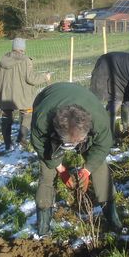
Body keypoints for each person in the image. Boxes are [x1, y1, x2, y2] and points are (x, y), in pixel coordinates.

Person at [30, 82, 122, 235]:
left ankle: (113, 218)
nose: (73, 146)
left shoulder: (100, 120)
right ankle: (43, 226)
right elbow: (39, 143)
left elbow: (103, 146)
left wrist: (87, 170)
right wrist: (59, 168)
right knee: (47, 172)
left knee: (100, 167)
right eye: (69, 144)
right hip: (48, 97)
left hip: (84, 101)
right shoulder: (42, 119)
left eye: (77, 142)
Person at [0, 38, 51, 150]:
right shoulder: (26, 60)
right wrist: (45, 77)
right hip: (23, 97)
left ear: (13, 47)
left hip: (5, 97)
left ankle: (7, 144)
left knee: (6, 118)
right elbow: (31, 79)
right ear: (23, 48)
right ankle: (21, 140)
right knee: (27, 116)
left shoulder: (2, 60)